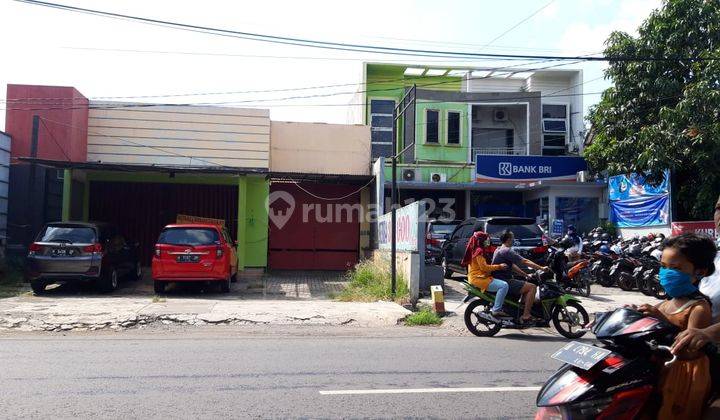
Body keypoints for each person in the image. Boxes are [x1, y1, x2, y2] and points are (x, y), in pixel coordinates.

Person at [636, 233, 716, 420]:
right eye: (663, 267)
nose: (666, 273)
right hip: (661, 370)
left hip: (683, 377)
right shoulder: (666, 302)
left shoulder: (698, 307)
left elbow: (690, 351)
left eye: (675, 268)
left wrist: (660, 318)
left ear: (700, 272)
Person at [491, 230, 546, 324]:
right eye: (513, 238)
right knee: (532, 287)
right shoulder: (506, 251)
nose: (514, 240)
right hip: (505, 281)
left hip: (501, 278)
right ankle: (526, 316)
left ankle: (521, 311)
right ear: (508, 239)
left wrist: (525, 275)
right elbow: (525, 261)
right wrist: (542, 268)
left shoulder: (499, 249)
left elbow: (512, 266)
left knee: (526, 285)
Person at [461, 228, 510, 317]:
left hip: (478, 277)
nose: (488, 241)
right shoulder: (478, 251)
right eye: (486, 239)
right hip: (478, 279)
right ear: (481, 241)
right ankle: (496, 310)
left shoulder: (477, 249)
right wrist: (499, 266)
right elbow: (484, 268)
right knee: (504, 285)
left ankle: (494, 305)